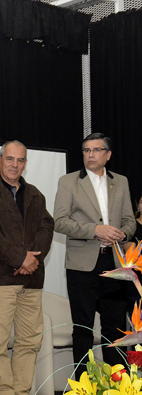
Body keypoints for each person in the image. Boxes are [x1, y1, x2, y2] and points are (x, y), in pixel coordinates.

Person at [0, 140, 53, 395]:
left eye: (20, 160)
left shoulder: (36, 195)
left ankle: (22, 394)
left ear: (25, 163)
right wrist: (21, 259)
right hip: (0, 280)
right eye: (9, 159)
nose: (14, 165)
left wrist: (32, 261)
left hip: (32, 280)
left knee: (29, 341)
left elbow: (46, 228)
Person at [53, 133, 135, 378]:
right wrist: (95, 230)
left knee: (115, 329)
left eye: (96, 150)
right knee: (82, 328)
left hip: (115, 263)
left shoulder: (120, 182)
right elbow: (59, 221)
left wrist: (122, 233)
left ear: (107, 155)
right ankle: (82, 386)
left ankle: (118, 386)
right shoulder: (69, 182)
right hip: (81, 264)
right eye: (86, 150)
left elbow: (130, 221)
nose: (90, 155)